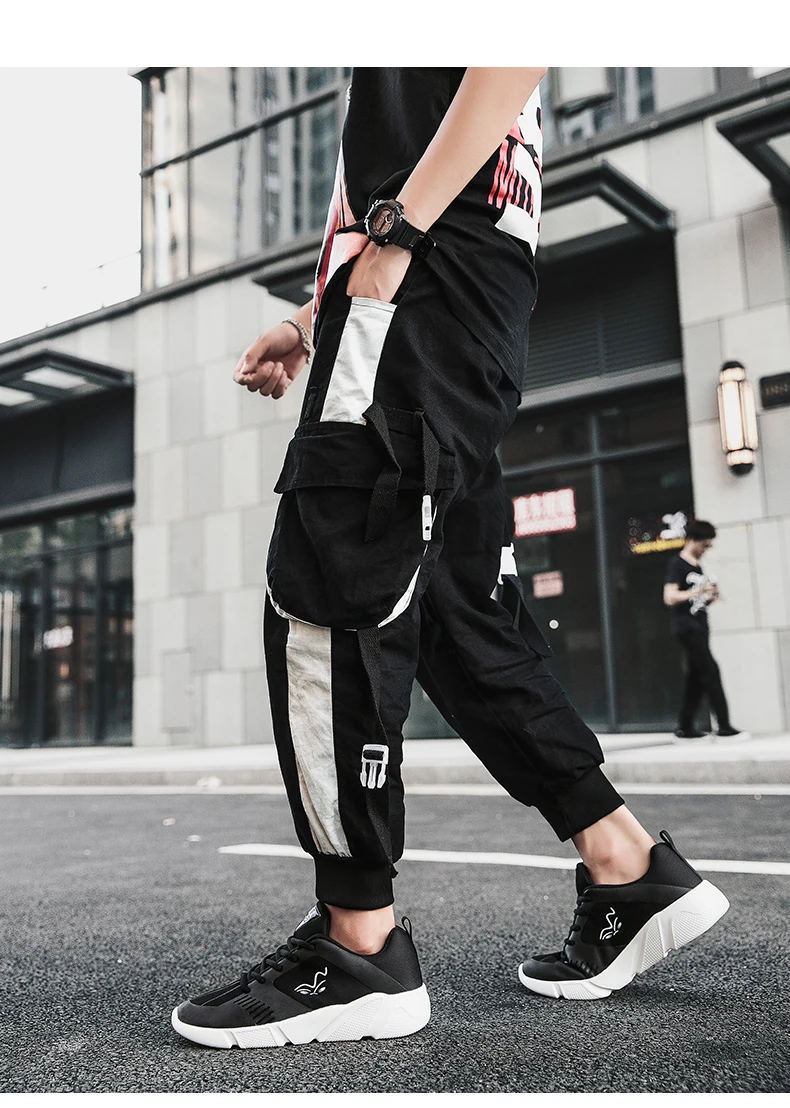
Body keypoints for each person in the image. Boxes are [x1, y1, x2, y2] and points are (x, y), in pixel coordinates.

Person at [171, 68, 729, 1049]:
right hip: (458, 301)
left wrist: (394, 240)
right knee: (455, 612)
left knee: (333, 575)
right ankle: (626, 863)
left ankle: (357, 944)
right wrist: (312, 315)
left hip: (419, 287)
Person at [664, 519, 744, 741]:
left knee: (696, 678)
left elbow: (695, 602)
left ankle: (684, 727)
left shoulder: (696, 566)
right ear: (692, 540)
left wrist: (710, 596)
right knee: (710, 671)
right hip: (686, 628)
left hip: (699, 626)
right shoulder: (677, 564)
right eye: (705, 545)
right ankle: (724, 726)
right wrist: (698, 591)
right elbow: (669, 597)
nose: (706, 549)